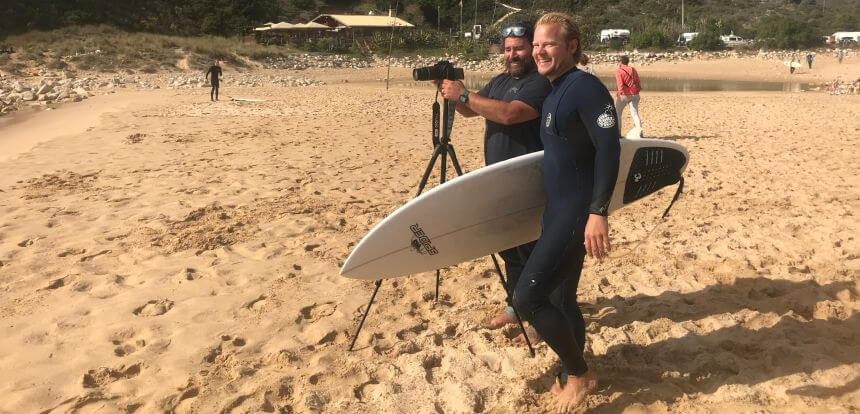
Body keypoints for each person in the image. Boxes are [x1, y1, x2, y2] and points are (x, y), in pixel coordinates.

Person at [521, 12, 620, 413]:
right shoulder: (554, 90)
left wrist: (599, 211)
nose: (540, 51)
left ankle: (577, 373)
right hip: (555, 211)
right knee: (562, 299)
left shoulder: (586, 88)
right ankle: (575, 370)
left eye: (549, 44)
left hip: (576, 213)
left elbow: (609, 149)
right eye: (537, 44)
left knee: (527, 297)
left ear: (571, 46)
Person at [437, 22, 551, 339]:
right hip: (499, 180)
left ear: (534, 48)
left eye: (519, 48)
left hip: (530, 179)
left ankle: (543, 317)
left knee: (534, 251)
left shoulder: (540, 83)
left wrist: (465, 94)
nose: (512, 54)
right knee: (509, 248)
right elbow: (471, 111)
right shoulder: (500, 81)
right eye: (508, 49)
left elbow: (511, 114)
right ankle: (516, 308)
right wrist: (451, 92)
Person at [614, 55, 643, 136]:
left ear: (620, 62)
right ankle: (640, 132)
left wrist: (620, 94)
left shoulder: (619, 71)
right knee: (635, 114)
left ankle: (618, 133)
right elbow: (638, 81)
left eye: (618, 61)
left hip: (625, 95)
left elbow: (620, 85)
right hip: (635, 94)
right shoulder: (633, 69)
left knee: (618, 113)